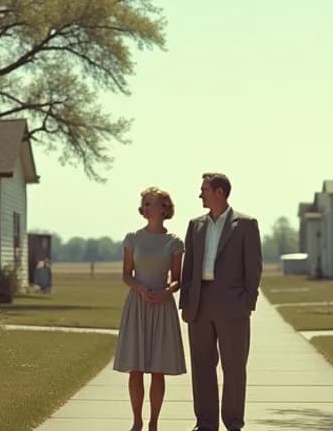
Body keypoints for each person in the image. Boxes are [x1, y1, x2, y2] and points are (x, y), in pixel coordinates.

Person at [179, 172, 263, 431]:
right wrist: (185, 302)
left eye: (204, 188)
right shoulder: (195, 225)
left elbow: (254, 267)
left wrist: (248, 301)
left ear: (219, 192)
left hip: (233, 305)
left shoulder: (246, 224)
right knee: (202, 367)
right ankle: (205, 423)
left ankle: (233, 423)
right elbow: (189, 266)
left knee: (234, 367)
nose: (200, 193)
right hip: (200, 304)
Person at [113, 187, 187, 431]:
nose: (145, 207)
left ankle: (154, 422)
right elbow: (126, 275)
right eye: (143, 204)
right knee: (136, 368)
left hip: (162, 306)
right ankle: (137, 421)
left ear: (164, 208)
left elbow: (177, 279)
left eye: (149, 203)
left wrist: (166, 291)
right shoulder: (132, 238)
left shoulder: (174, 242)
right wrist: (141, 289)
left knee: (158, 369)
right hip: (138, 304)